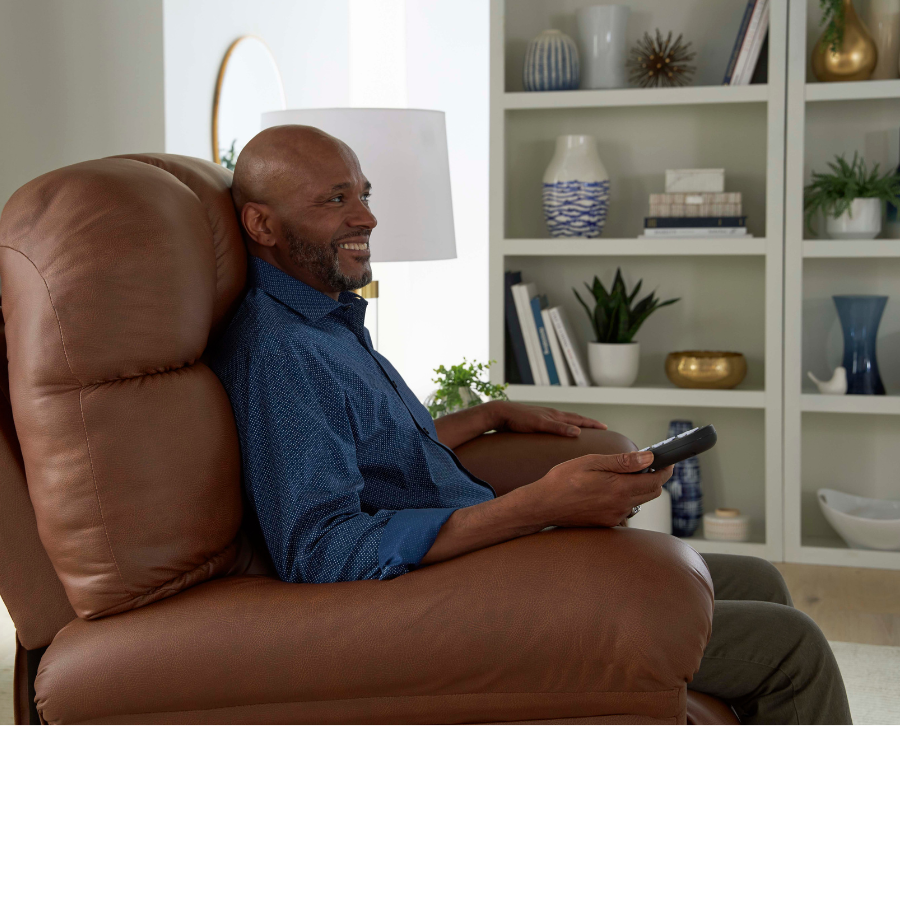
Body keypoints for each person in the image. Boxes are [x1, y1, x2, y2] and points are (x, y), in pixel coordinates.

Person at [207, 124, 851, 725]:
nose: (367, 217)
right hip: (443, 594)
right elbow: (321, 550)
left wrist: (485, 415)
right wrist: (539, 506)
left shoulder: (325, 323)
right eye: (335, 199)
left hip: (486, 554)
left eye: (364, 194)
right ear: (262, 224)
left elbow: (371, 449)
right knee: (792, 647)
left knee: (759, 578)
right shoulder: (280, 354)